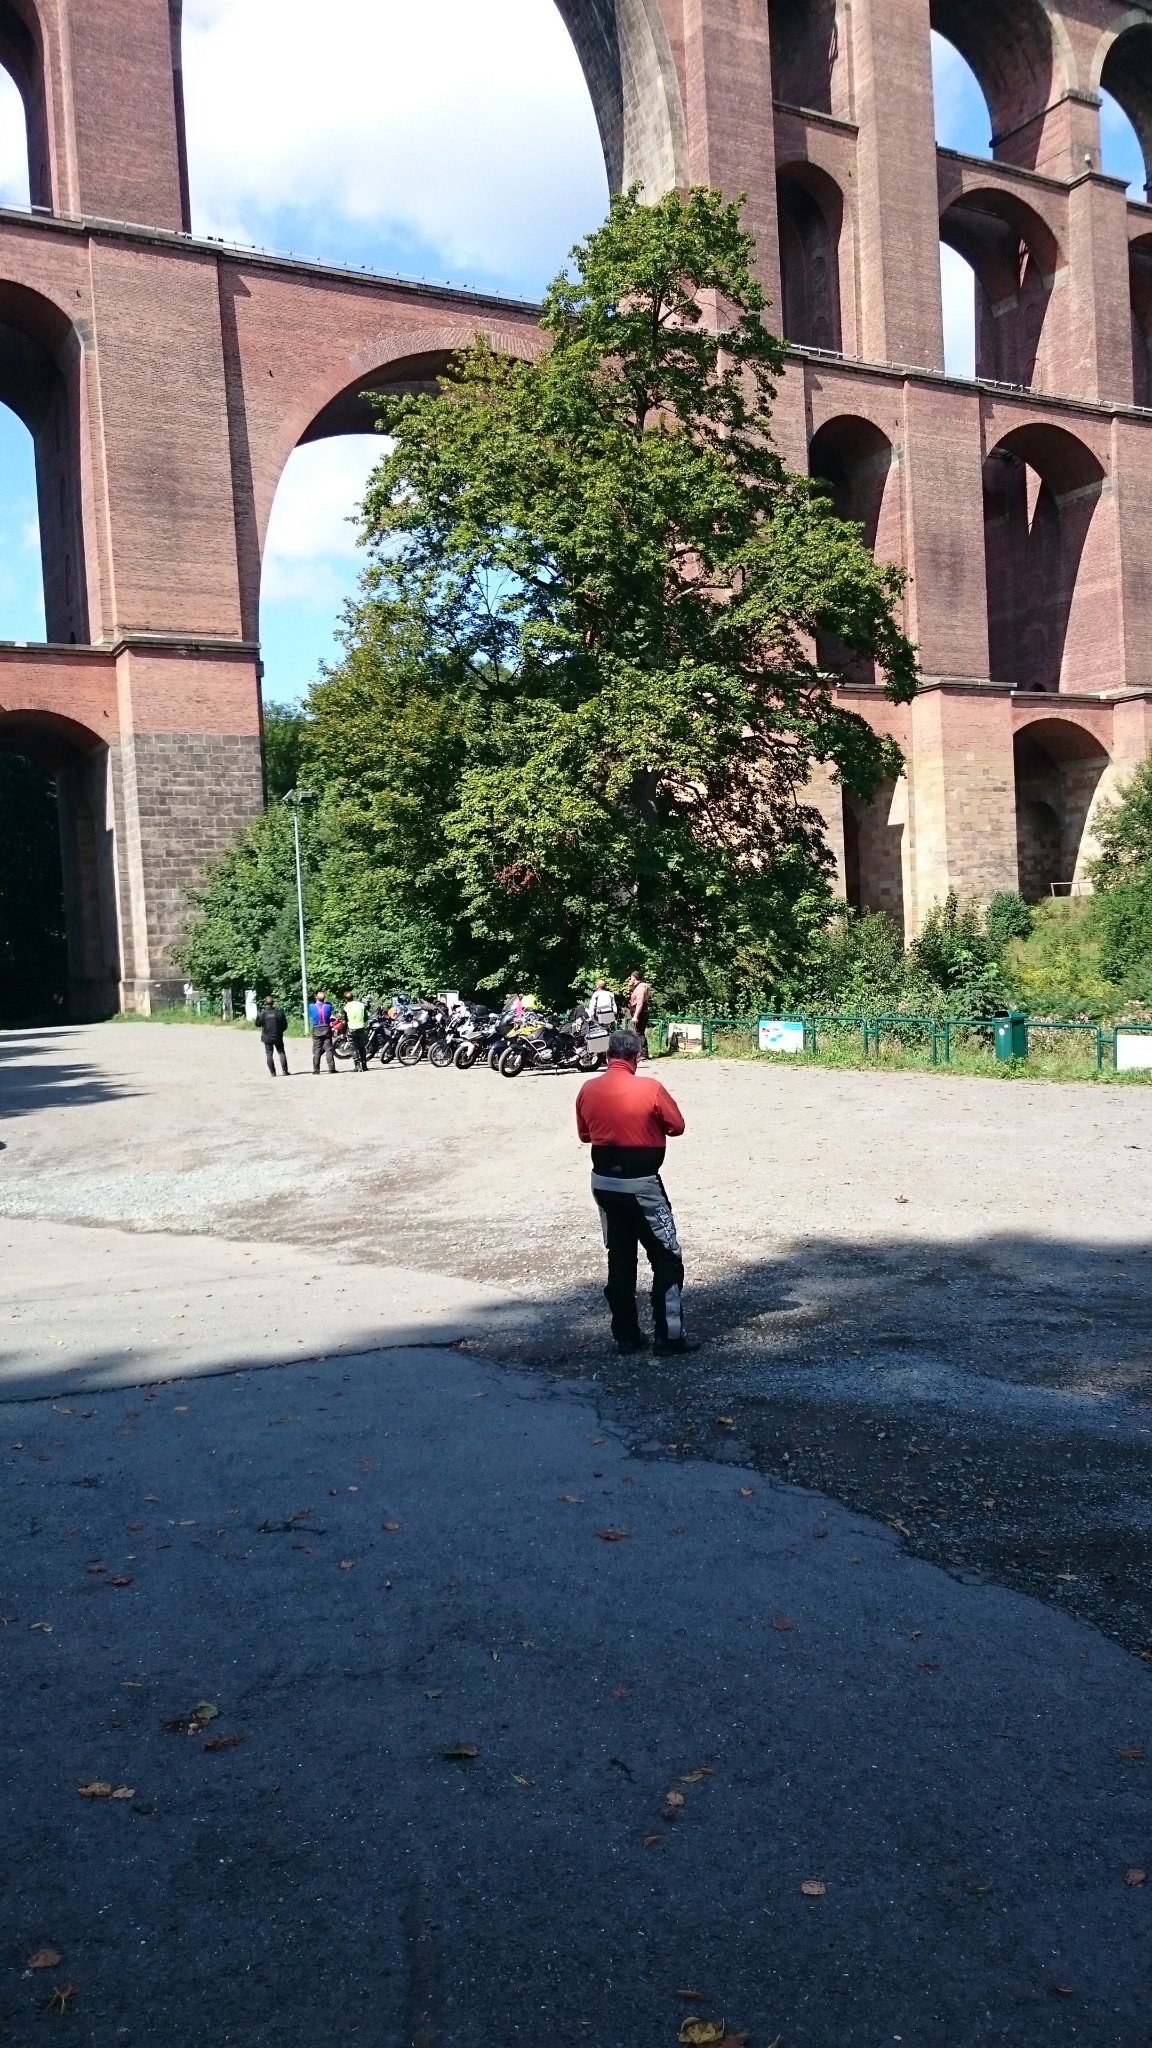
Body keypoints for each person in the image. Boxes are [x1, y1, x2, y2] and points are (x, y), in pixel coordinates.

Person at [575, 1029, 696, 1355]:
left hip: (603, 1183)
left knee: (620, 1255)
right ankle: (669, 1336)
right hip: (642, 1184)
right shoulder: (651, 1088)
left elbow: (585, 1135)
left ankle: (625, 1336)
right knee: (666, 1256)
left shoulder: (587, 1089)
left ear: (607, 1055)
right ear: (637, 1057)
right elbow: (677, 1126)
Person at [258, 994, 289, 1077]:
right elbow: (285, 1025)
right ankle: (285, 1071)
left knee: (269, 1054)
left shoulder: (262, 1014)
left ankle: (273, 1073)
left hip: (267, 1037)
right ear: (273, 1003)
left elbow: (257, 1024)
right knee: (281, 1052)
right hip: (278, 1036)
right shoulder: (279, 1013)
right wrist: (280, 1031)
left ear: (265, 1003)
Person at [625, 971, 652, 1059]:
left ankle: (644, 1053)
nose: (630, 979)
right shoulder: (638, 987)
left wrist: (636, 1016)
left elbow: (640, 1003)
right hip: (640, 1012)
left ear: (634, 978)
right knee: (638, 1032)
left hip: (641, 1012)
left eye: (631, 978)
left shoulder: (640, 988)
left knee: (639, 1033)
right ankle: (640, 1052)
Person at [309, 989, 335, 1074]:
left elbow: (312, 1005)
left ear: (316, 998)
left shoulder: (311, 1006)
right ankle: (331, 1068)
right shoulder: (328, 1006)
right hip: (326, 1028)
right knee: (328, 1049)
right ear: (324, 998)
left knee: (317, 1049)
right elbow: (330, 1005)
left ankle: (316, 1069)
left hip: (317, 1028)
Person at [343, 990, 368, 1071]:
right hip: (361, 1028)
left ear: (345, 999)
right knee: (362, 1047)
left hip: (351, 1029)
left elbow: (345, 1021)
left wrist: (344, 1031)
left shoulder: (346, 1007)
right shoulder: (361, 1005)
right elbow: (366, 1018)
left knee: (353, 1048)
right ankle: (364, 1066)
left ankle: (357, 1066)